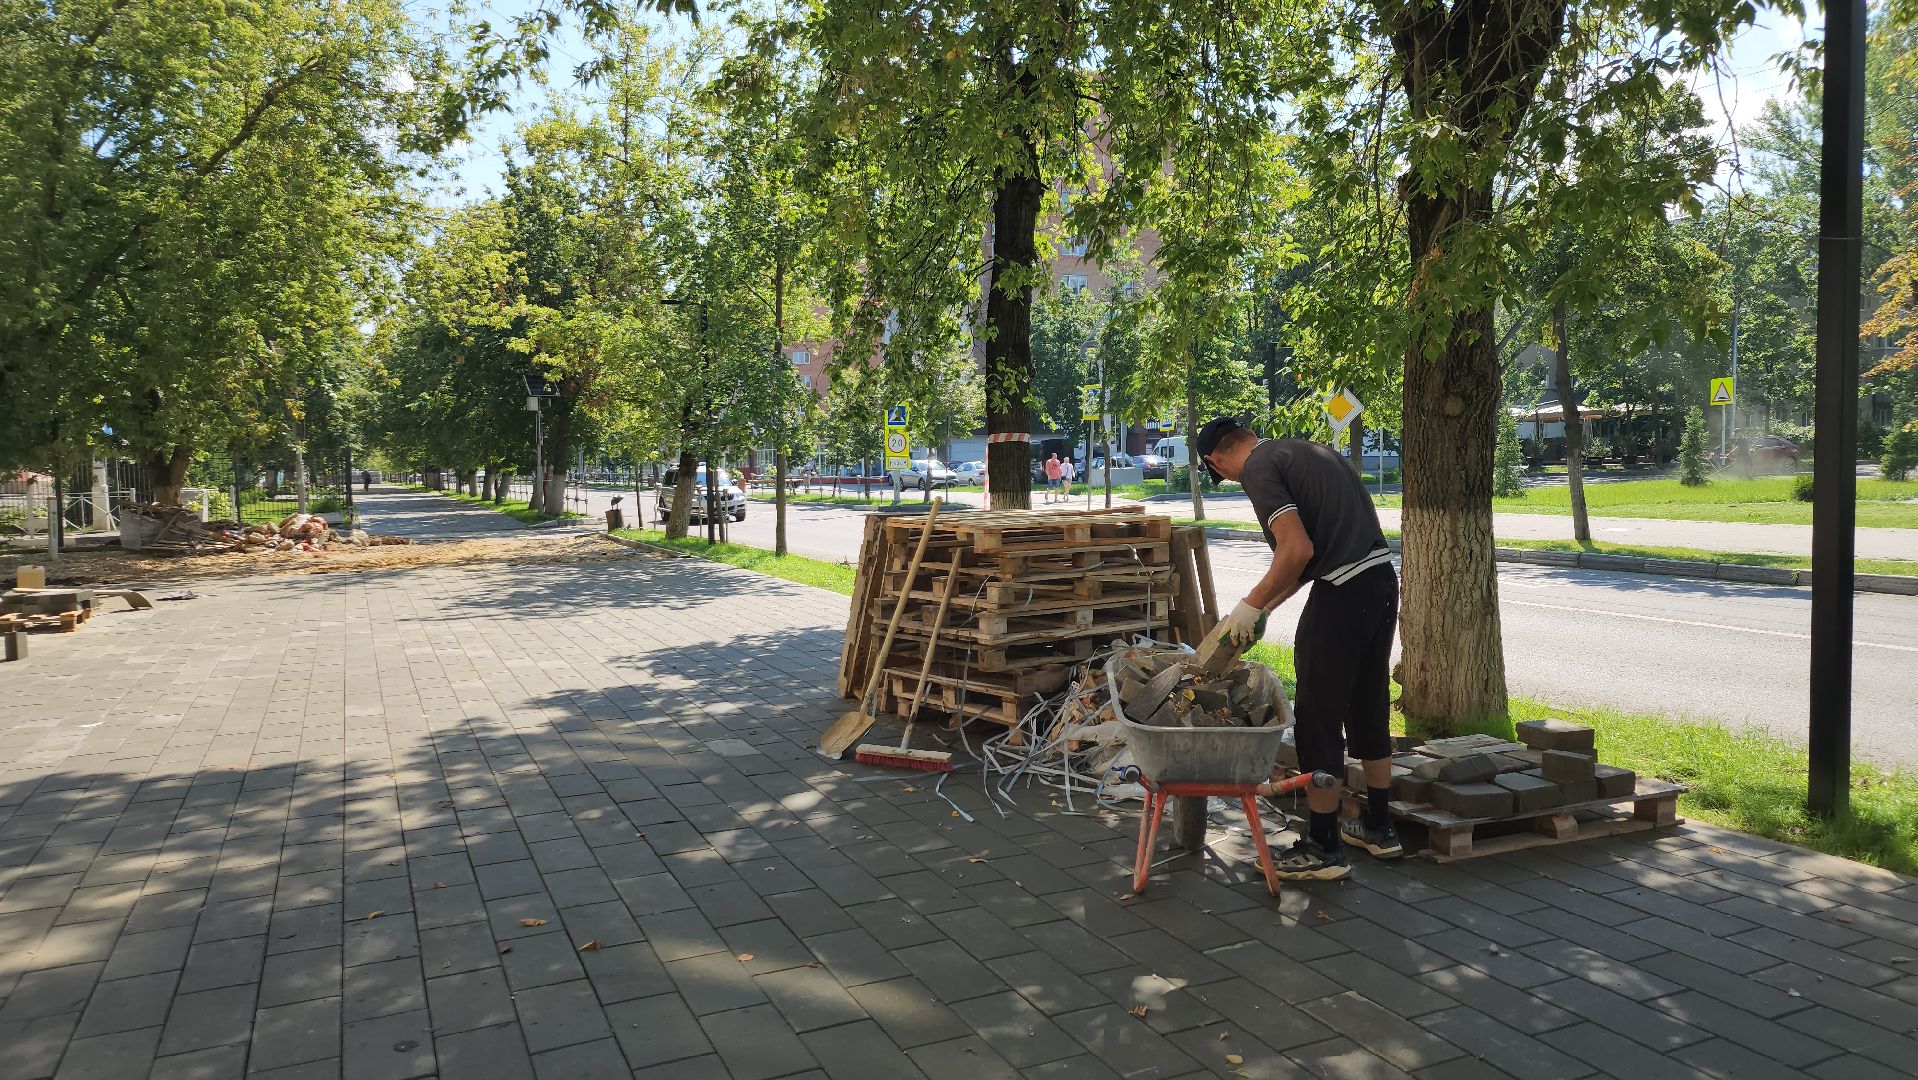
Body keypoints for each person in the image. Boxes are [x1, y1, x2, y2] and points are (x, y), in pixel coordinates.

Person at [1195, 416, 1399, 880]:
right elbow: (1306, 561)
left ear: (1217, 459)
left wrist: (1248, 604)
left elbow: (1296, 551)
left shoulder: (1258, 469)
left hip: (1342, 591)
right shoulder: (1304, 452)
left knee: (1317, 715)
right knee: (1368, 701)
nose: (1227, 479)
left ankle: (1324, 846)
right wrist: (1263, 608)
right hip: (1380, 582)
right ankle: (1380, 826)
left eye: (1218, 472)